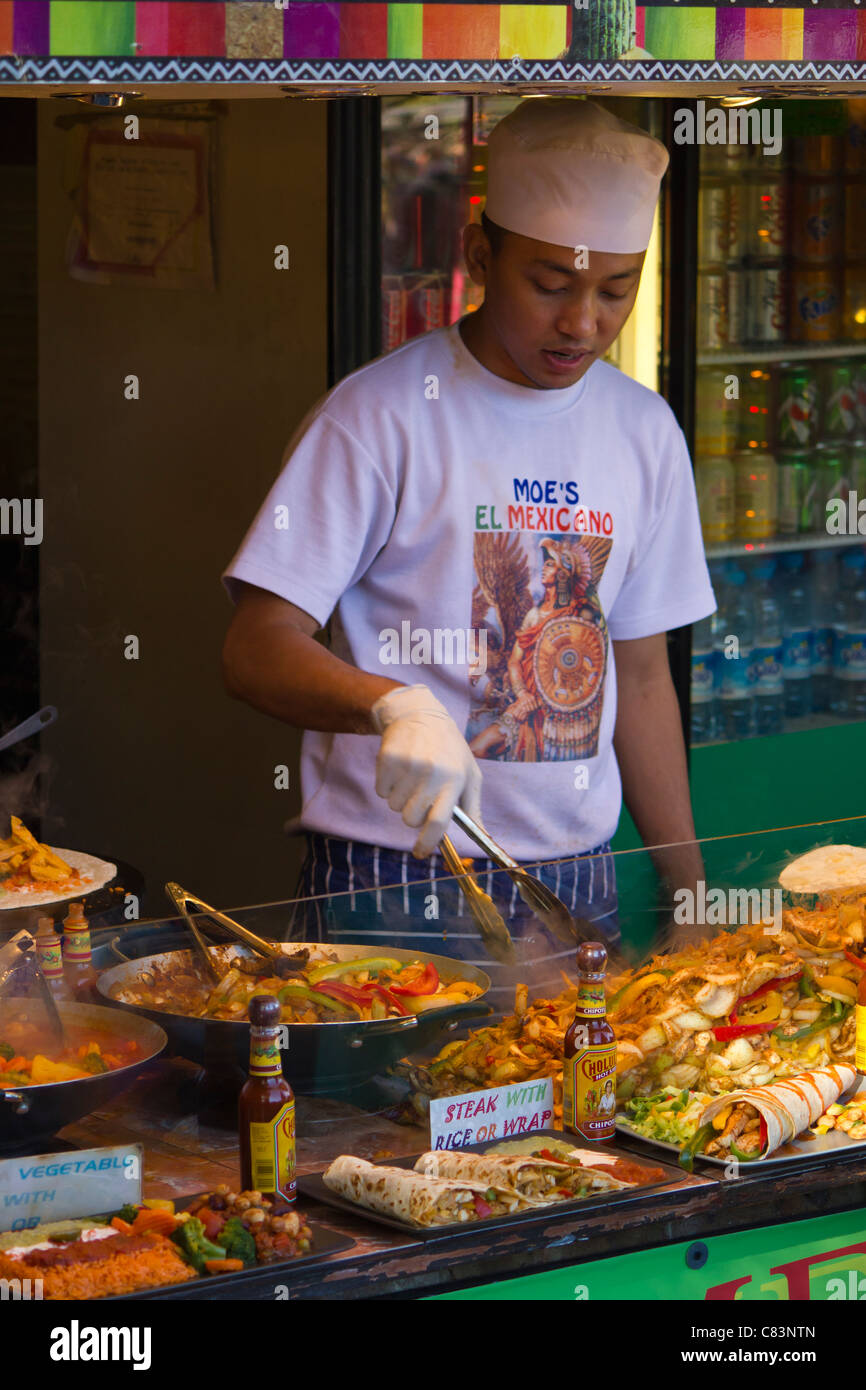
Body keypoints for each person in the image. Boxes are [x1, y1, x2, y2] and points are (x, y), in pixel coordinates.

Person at [221, 99, 715, 1012]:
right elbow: (256, 643)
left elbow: (640, 673)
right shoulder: (380, 416)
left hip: (579, 884)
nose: (583, 322)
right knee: (374, 1149)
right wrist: (392, 704)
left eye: (616, 290)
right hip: (392, 882)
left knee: (580, 1150)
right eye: (552, 285)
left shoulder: (643, 431)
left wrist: (688, 889)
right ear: (481, 260)